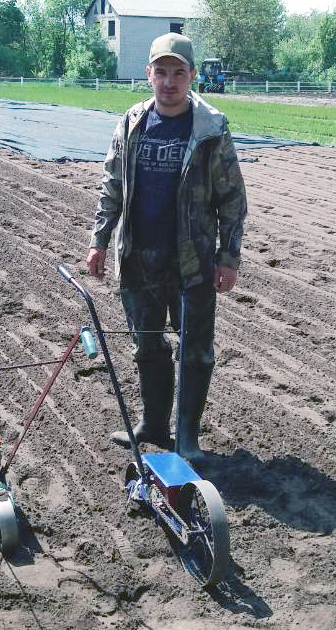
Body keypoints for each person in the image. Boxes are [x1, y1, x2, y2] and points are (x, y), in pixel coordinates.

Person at [86, 32, 247, 462]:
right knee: (147, 344)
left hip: (191, 260)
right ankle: (153, 424)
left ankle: (188, 437)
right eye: (162, 72)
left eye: (179, 72)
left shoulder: (211, 129)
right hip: (138, 257)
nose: (169, 81)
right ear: (149, 74)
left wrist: (228, 257)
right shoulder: (133, 122)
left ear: (192, 75)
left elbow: (232, 198)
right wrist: (100, 240)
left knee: (195, 348)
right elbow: (112, 185)